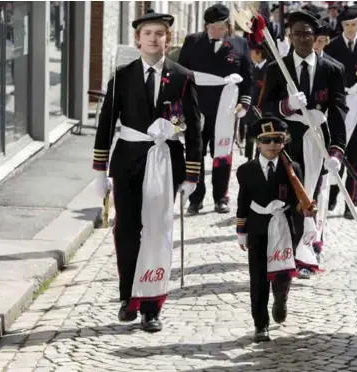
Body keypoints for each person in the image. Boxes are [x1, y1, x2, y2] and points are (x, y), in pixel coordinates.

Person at [92, 9, 202, 333]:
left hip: (166, 162)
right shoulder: (122, 75)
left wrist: (192, 174)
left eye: (160, 33)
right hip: (128, 161)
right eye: (148, 33)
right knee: (126, 229)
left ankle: (152, 306)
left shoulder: (182, 76)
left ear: (169, 38)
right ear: (137, 39)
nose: (154, 39)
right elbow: (105, 124)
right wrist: (100, 171)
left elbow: (192, 127)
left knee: (156, 231)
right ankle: (129, 297)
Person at [261, 10, 348, 278]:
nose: (302, 38)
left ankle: (306, 253)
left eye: (307, 33)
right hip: (286, 144)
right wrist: (287, 106)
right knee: (288, 196)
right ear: (289, 36)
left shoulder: (332, 70)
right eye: (296, 33)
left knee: (310, 196)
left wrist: (337, 151)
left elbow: (338, 111)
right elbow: (265, 109)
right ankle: (285, 251)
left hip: (316, 144)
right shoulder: (278, 68)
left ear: (316, 36)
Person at [236, 116, 313, 342]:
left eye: (277, 140)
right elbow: (243, 201)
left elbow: (299, 199)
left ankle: (281, 299)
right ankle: (261, 324)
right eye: (266, 140)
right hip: (259, 228)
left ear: (285, 140)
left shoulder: (293, 168)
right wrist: (242, 231)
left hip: (284, 229)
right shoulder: (246, 170)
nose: (272, 145)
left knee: (281, 273)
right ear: (257, 143)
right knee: (258, 278)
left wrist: (304, 208)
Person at [178, 4, 253, 215]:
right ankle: (195, 197)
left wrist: (244, 103)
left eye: (221, 27)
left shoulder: (240, 44)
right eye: (213, 27)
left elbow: (248, 78)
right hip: (197, 107)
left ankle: (221, 197)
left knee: (222, 154)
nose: (217, 31)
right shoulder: (193, 42)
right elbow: (181, 73)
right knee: (195, 153)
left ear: (228, 25)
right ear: (206, 25)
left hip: (226, 109)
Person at [324, 5, 357, 219]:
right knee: (336, 150)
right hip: (339, 105)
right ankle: (331, 194)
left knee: (356, 155)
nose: (349, 29)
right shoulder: (333, 46)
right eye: (346, 25)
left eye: (353, 25)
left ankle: (351, 201)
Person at [241, 36, 271, 160]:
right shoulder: (250, 67)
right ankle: (249, 158)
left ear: (259, 53)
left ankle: (260, 157)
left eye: (252, 51)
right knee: (249, 134)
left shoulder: (269, 69)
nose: (250, 54)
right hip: (250, 107)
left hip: (262, 108)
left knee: (261, 134)